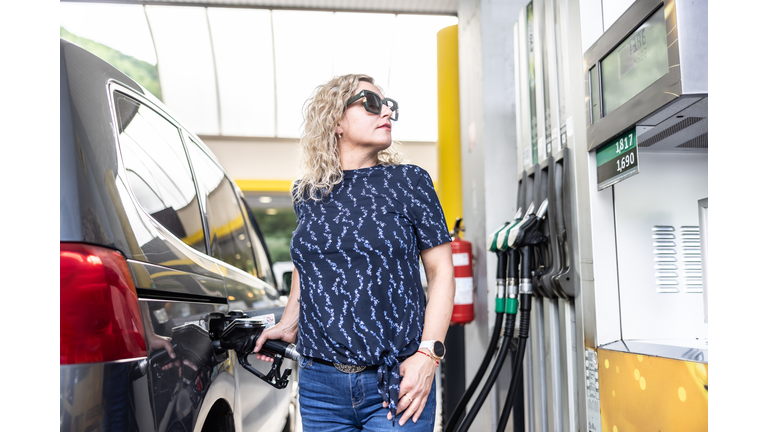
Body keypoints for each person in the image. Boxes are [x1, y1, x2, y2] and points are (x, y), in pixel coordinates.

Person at [254, 74, 455, 431]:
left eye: (388, 104)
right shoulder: (308, 192)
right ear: (335, 120)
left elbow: (441, 273)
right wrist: (289, 322)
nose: (386, 112)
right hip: (320, 386)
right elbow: (310, 263)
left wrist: (428, 355)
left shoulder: (410, 182)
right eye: (372, 103)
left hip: (398, 379)